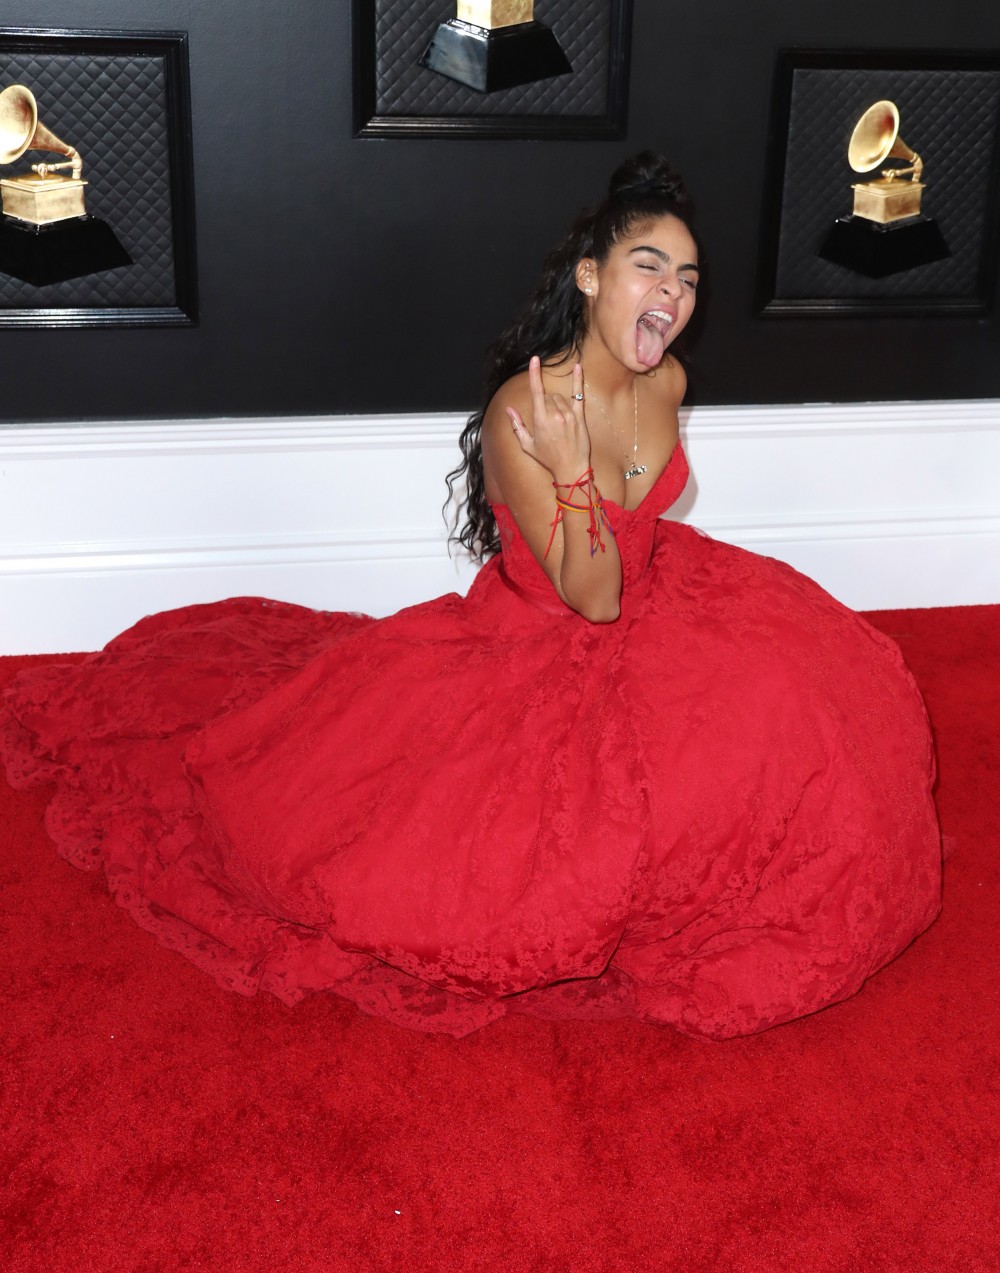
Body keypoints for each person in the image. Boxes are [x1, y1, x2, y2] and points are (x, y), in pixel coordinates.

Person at [0, 154, 941, 1040]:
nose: (672, 295)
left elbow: (641, 546)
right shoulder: (521, 415)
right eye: (648, 266)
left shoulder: (673, 379)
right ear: (587, 276)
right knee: (497, 862)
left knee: (824, 718)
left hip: (671, 595)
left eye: (688, 279)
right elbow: (594, 597)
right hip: (549, 634)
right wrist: (573, 473)